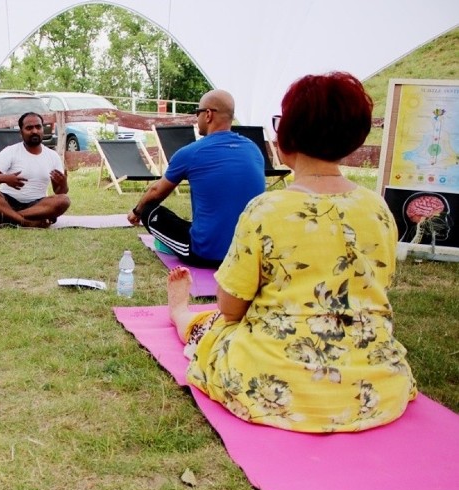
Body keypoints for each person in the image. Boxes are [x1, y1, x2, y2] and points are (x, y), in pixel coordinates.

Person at [166, 72, 417, 433]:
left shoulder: (266, 210)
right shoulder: (377, 208)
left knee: (212, 325)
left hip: (276, 382)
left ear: (287, 134)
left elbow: (231, 308)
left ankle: (179, 312)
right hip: (374, 385)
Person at [128, 90, 265, 267]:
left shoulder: (191, 152)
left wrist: (136, 211)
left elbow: (156, 191)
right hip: (248, 255)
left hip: (207, 254)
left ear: (208, 114)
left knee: (148, 209)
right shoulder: (254, 149)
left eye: (197, 113)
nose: (196, 118)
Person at [0, 112, 70, 227]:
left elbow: (60, 192)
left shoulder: (53, 156)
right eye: (29, 128)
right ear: (21, 133)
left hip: (37, 206)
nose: (34, 131)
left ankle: (8, 217)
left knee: (64, 200)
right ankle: (26, 222)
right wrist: (6, 179)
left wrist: (63, 183)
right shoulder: (11, 151)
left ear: (42, 129)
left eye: (38, 127)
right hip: (7, 202)